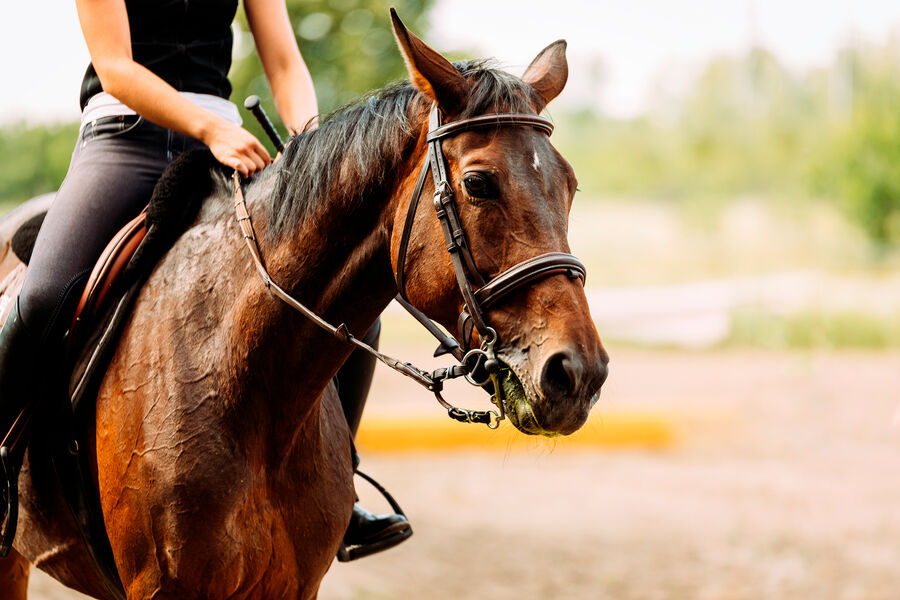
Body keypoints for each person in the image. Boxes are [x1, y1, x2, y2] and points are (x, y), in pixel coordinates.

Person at [0, 0, 409, 560]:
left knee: (349, 300)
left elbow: (285, 64)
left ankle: (345, 482)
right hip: (124, 139)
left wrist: (312, 149)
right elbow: (116, 66)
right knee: (44, 296)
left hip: (226, 148)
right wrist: (209, 127)